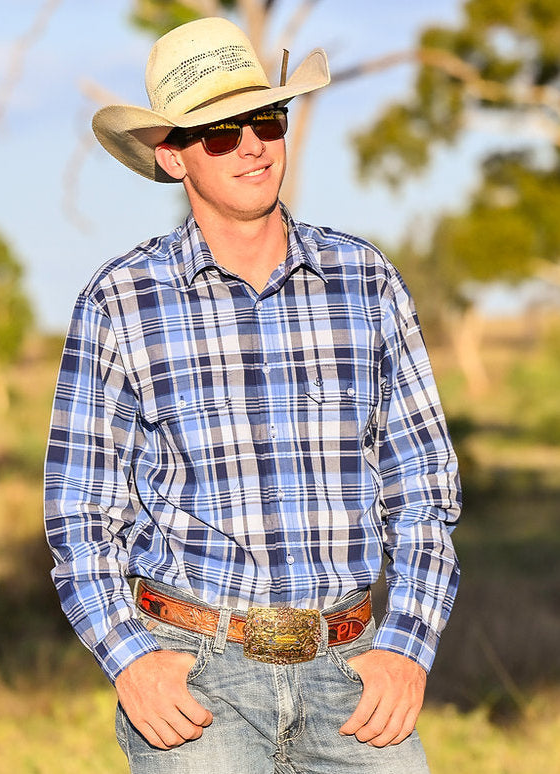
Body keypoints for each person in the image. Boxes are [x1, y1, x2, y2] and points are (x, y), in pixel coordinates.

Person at [44, 16, 460, 774]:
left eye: (265, 119)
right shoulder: (120, 301)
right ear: (173, 158)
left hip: (356, 671)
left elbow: (423, 486)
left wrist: (408, 645)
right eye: (219, 131)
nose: (252, 145)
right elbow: (78, 515)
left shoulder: (365, 280)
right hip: (196, 681)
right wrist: (130, 657)